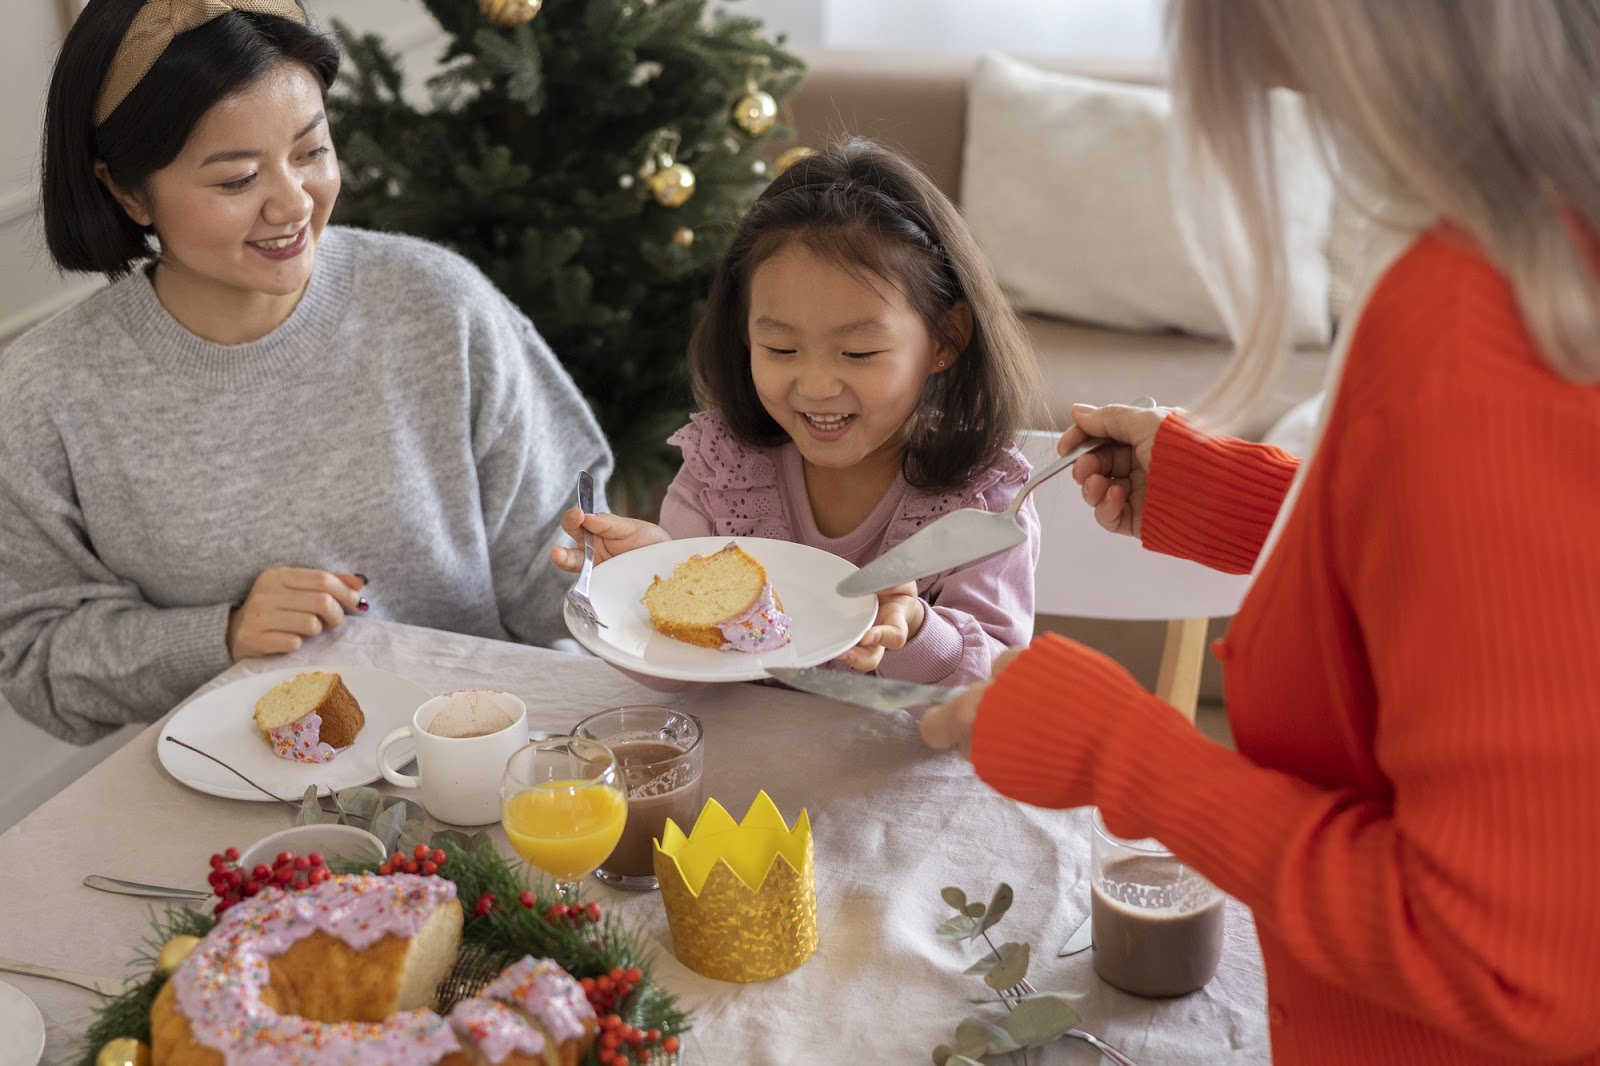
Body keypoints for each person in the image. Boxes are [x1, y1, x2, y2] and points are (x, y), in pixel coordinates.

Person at [923, 1, 1600, 1062]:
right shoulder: (1533, 253)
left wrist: (1119, 749)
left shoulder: (1477, 326)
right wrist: (1241, 501)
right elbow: (1508, 597)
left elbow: (1509, 961)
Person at [0, 0, 612, 745]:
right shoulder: (45, 392)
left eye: (311, 151)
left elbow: (563, 578)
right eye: (236, 180)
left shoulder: (437, 305)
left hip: (476, 762)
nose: (292, 203)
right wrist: (218, 637)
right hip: (227, 798)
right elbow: (35, 659)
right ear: (127, 191)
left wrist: (621, 579)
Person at [552, 139, 1046, 686]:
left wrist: (916, 632)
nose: (814, 386)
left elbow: (995, 692)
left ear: (944, 340)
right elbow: (679, 682)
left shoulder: (985, 504)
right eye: (781, 349)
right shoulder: (723, 468)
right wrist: (649, 584)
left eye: (858, 353)